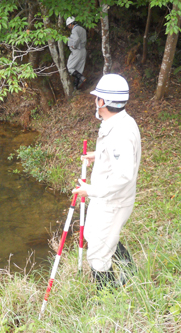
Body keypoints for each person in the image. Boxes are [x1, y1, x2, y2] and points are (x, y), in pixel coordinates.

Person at [72, 74, 141, 290]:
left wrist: (90, 190)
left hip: (113, 201)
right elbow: (115, 156)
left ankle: (108, 299)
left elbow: (123, 175)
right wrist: (98, 155)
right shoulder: (118, 122)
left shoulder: (120, 132)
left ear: (103, 102)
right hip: (105, 198)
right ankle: (128, 266)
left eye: (97, 97)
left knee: (98, 257)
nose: (95, 101)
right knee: (91, 234)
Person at [66, 17, 87, 90]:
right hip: (83, 50)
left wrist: (73, 45)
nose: (69, 27)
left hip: (77, 51)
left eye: (68, 26)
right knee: (79, 69)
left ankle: (81, 78)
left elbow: (77, 39)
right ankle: (76, 88)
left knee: (70, 67)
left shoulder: (74, 30)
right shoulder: (82, 29)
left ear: (71, 24)